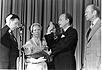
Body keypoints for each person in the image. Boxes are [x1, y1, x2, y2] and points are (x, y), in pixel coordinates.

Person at [82, 4, 101, 70]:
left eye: (87, 12)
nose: (85, 14)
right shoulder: (89, 29)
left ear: (94, 13)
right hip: (88, 65)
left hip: (97, 64)